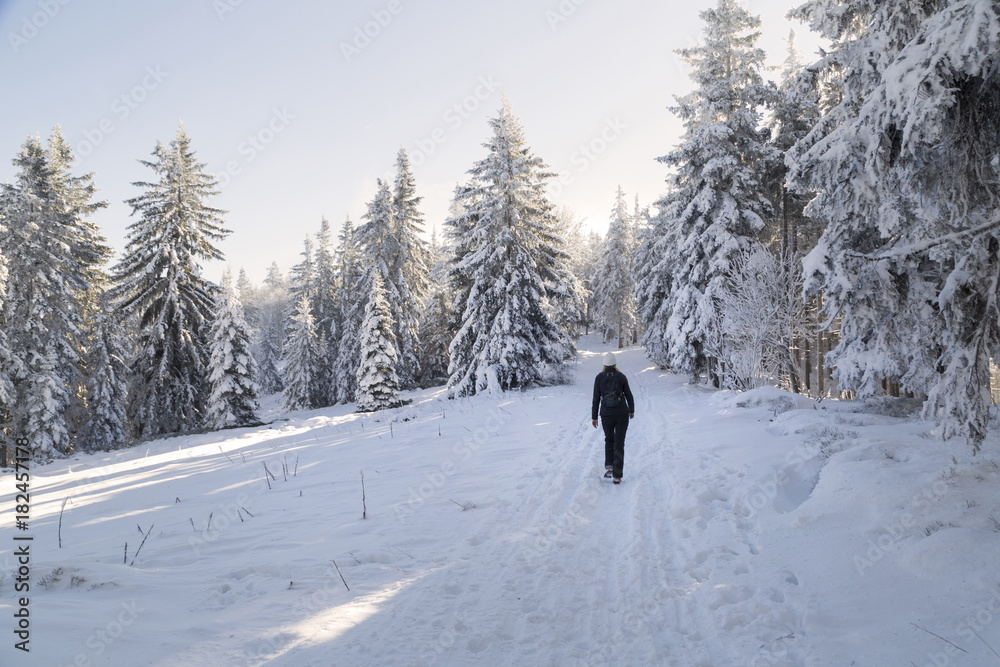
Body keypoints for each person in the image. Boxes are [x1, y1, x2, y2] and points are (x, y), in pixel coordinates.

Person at [591, 352, 635, 484]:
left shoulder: (599, 378)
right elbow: (629, 395)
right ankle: (618, 475)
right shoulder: (621, 377)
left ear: (604, 364)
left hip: (606, 415)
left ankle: (609, 466)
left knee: (609, 440)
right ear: (615, 364)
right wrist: (631, 410)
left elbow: (596, 399)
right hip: (622, 414)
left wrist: (594, 417)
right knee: (619, 443)